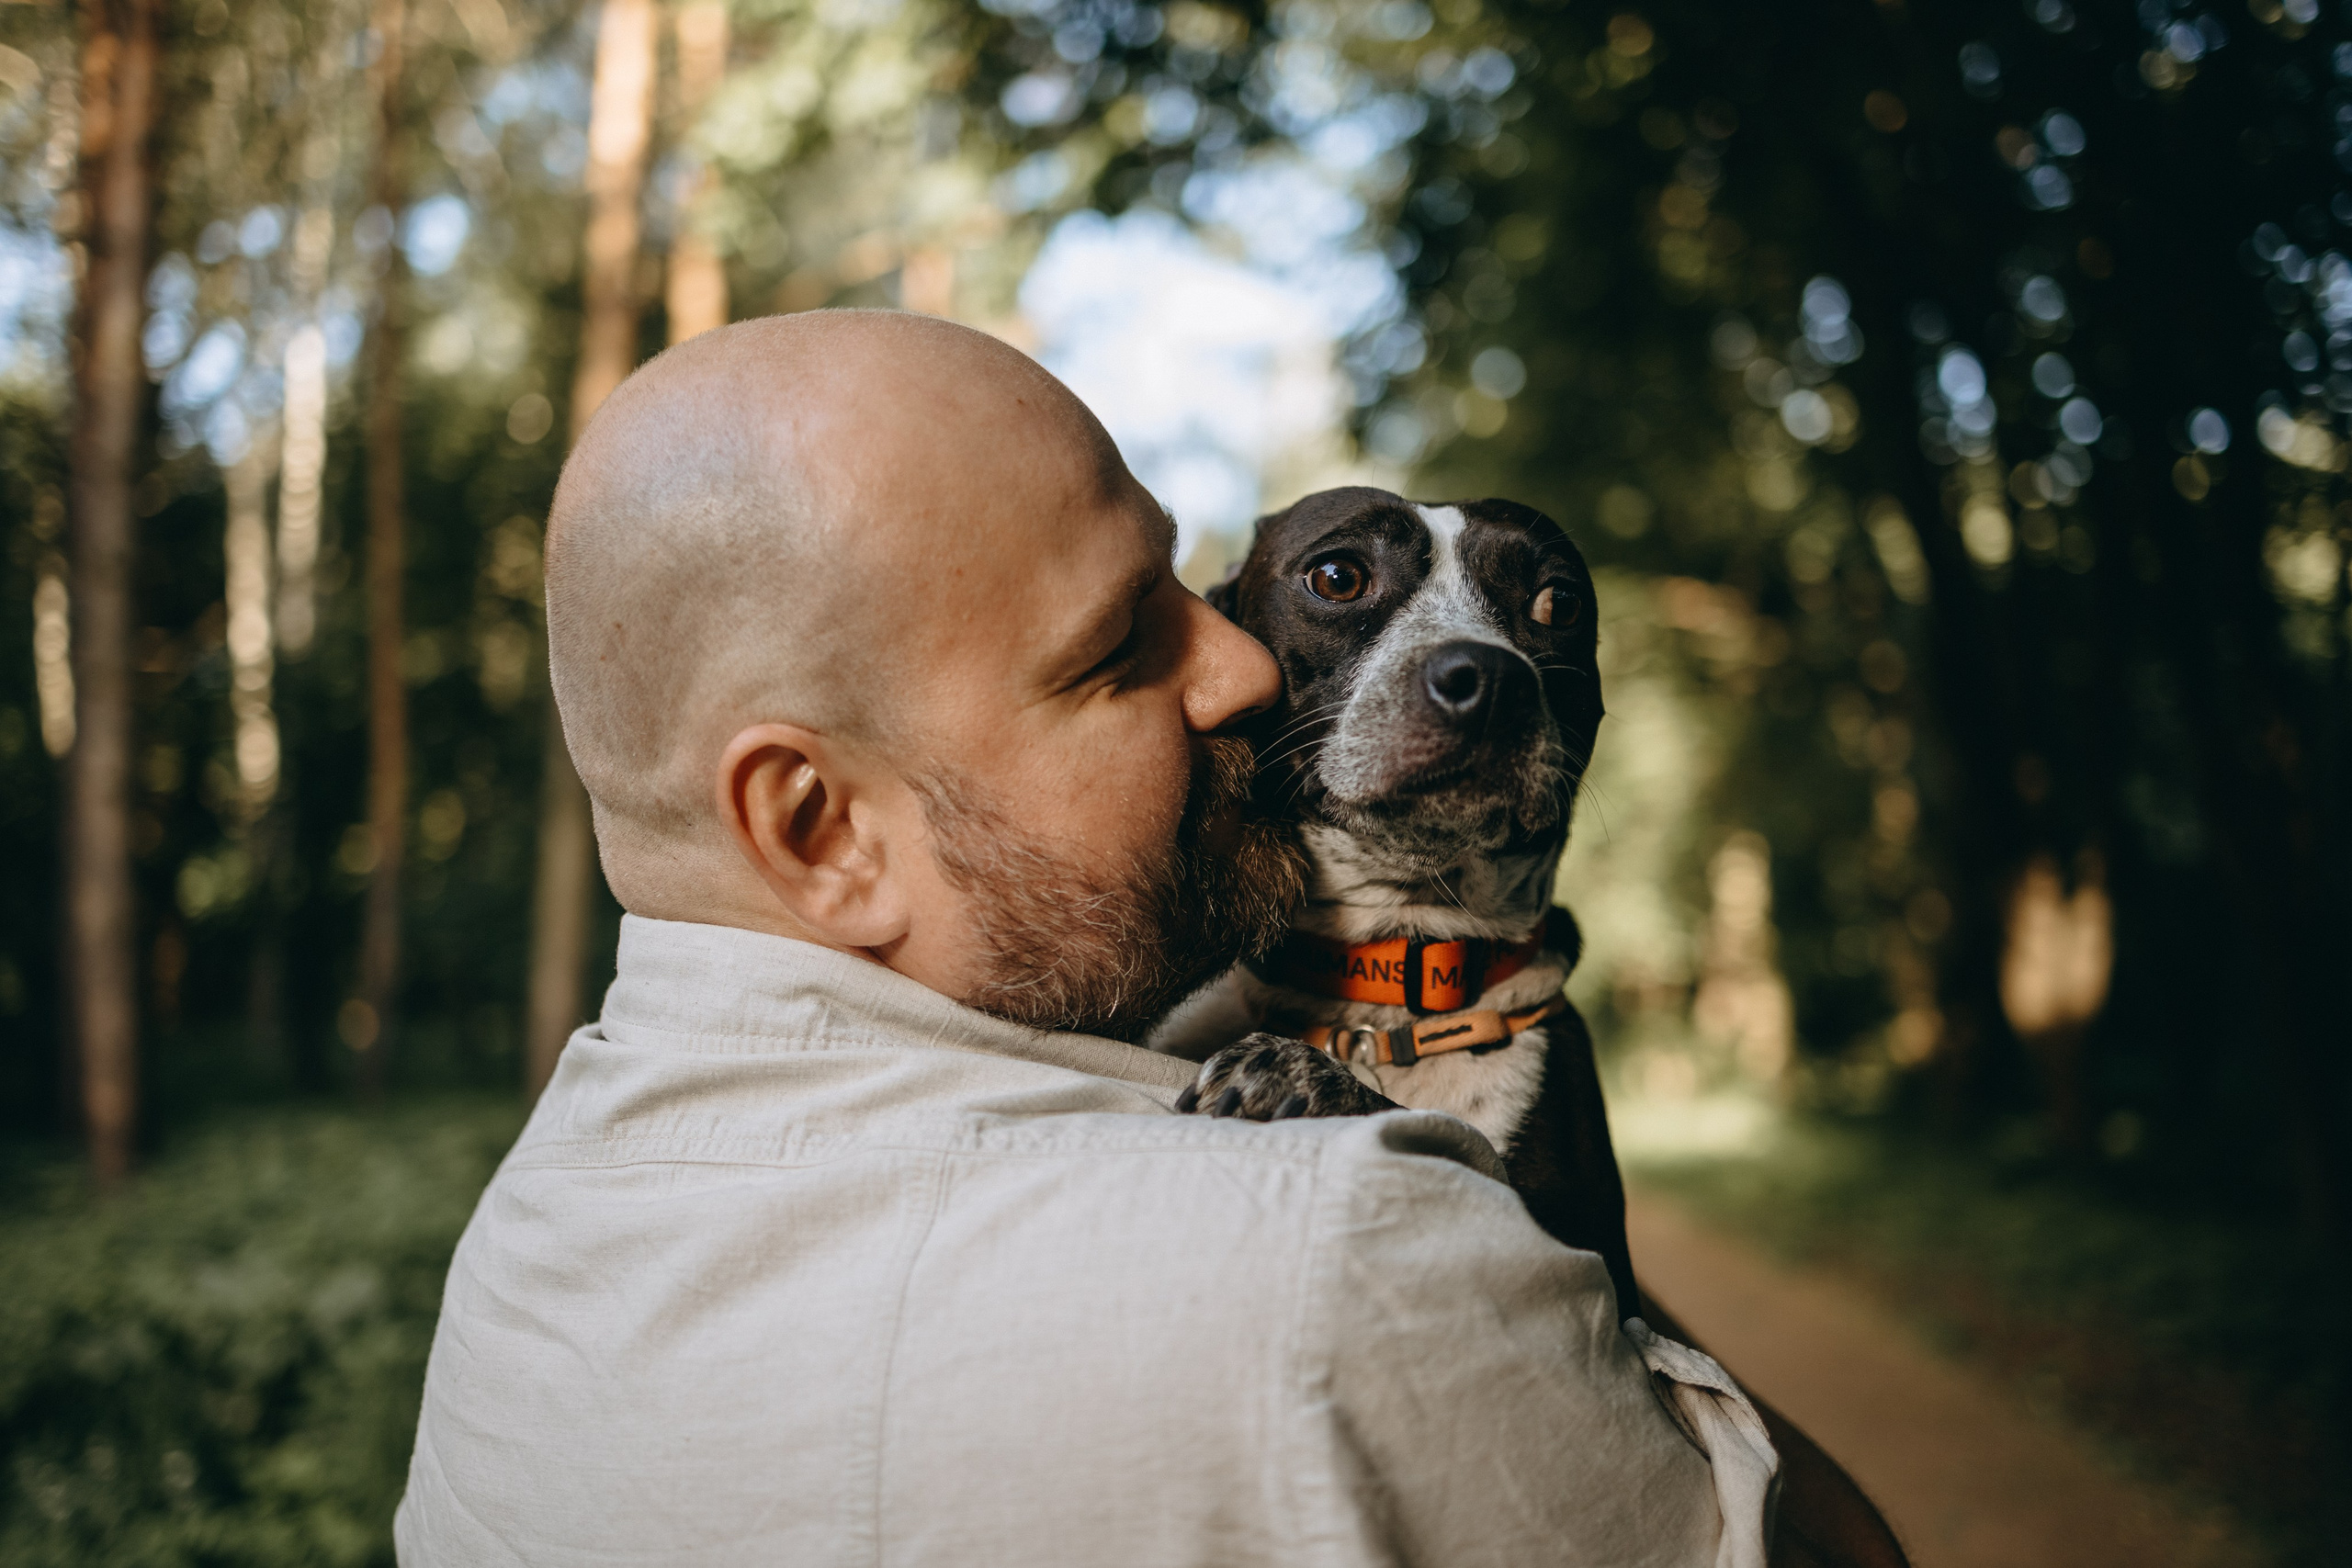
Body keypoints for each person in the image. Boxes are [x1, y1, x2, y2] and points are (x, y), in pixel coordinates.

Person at [394, 310, 1786, 1567]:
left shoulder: (517, 1255)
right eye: (1120, 646)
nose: (1242, 671)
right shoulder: (1346, 1253)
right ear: (820, 829)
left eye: (1191, 591)